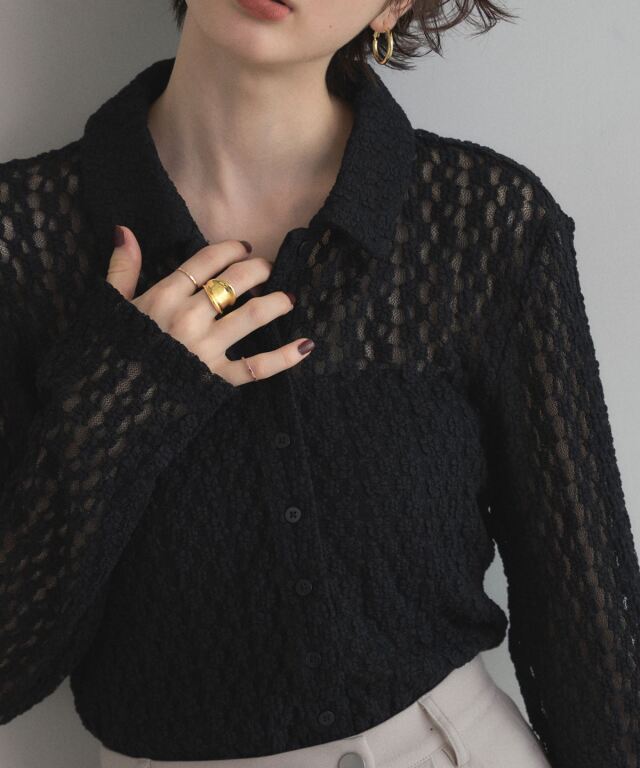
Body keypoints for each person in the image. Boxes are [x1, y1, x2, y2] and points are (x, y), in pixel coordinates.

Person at [1, 1, 638, 767]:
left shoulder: (485, 222)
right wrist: (123, 396)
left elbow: (588, 625)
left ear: (394, 5)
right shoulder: (21, 239)